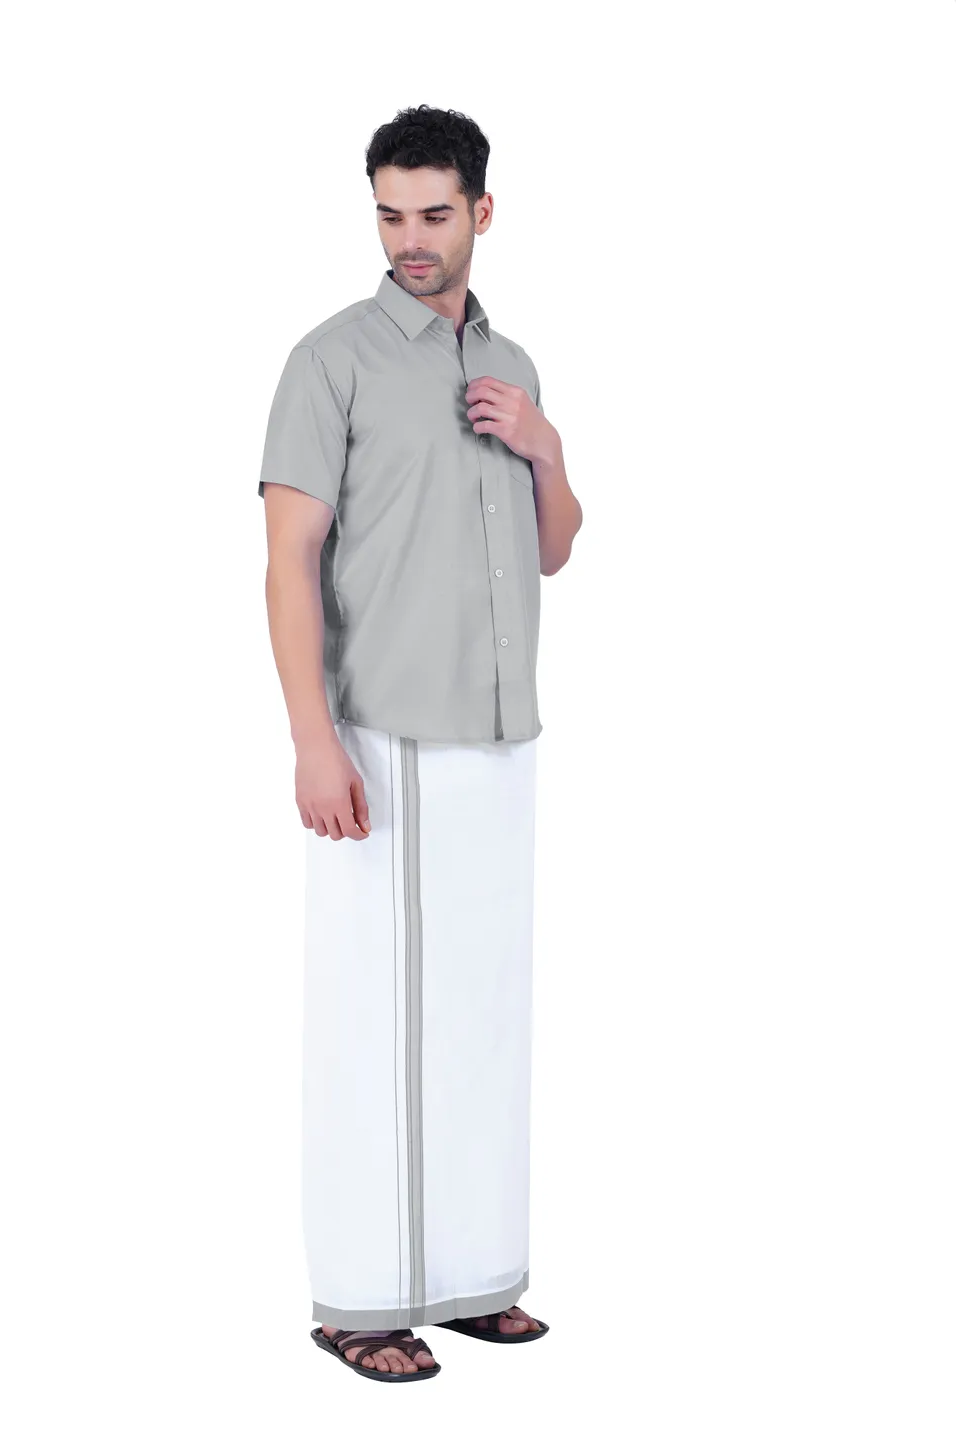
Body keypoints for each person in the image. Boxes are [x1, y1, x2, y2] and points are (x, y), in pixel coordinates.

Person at [257, 104, 583, 1382]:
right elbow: (288, 561)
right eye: (390, 213)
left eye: (435, 213)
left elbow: (552, 547)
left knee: (485, 1014)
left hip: (500, 735)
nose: (410, 238)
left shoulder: (515, 364)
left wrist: (546, 448)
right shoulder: (329, 362)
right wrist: (312, 740)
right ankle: (359, 1298)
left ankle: (472, 1280)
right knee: (374, 1026)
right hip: (382, 735)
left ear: (481, 213)